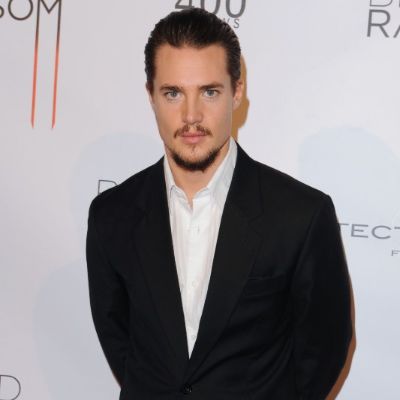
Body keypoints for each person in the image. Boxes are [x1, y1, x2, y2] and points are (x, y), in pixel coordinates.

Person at [86, 8, 352, 400]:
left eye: (209, 92)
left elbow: (324, 349)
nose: (191, 115)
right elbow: (119, 339)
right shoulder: (112, 215)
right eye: (173, 93)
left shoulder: (300, 215)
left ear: (236, 92)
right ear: (151, 96)